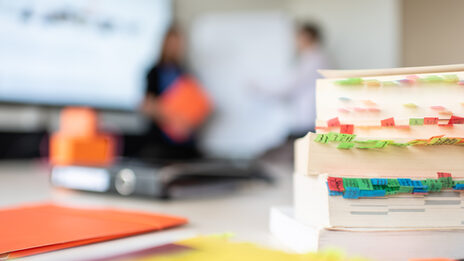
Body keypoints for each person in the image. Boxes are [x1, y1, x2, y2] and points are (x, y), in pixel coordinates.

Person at [127, 25, 207, 160]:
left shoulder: (185, 74)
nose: (175, 48)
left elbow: (198, 106)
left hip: (184, 143)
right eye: (172, 43)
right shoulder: (154, 73)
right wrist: (173, 117)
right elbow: (147, 106)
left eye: (178, 44)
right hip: (160, 141)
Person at [254, 23, 330, 138]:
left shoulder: (313, 60)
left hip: (309, 119)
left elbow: (289, 87)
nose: (295, 42)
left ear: (305, 37)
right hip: (309, 118)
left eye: (297, 37)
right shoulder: (316, 58)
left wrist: (260, 89)